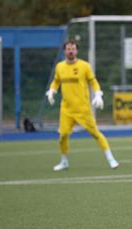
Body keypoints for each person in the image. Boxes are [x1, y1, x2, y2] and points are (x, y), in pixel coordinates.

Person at [45, 40, 119, 171]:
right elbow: (56, 81)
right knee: (63, 136)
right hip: (66, 110)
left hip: (83, 109)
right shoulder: (60, 66)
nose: (71, 51)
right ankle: (64, 162)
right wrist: (52, 90)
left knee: (96, 134)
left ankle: (111, 158)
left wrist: (98, 94)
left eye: (73, 48)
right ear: (64, 51)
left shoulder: (84, 66)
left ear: (77, 50)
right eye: (68, 49)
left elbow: (93, 81)